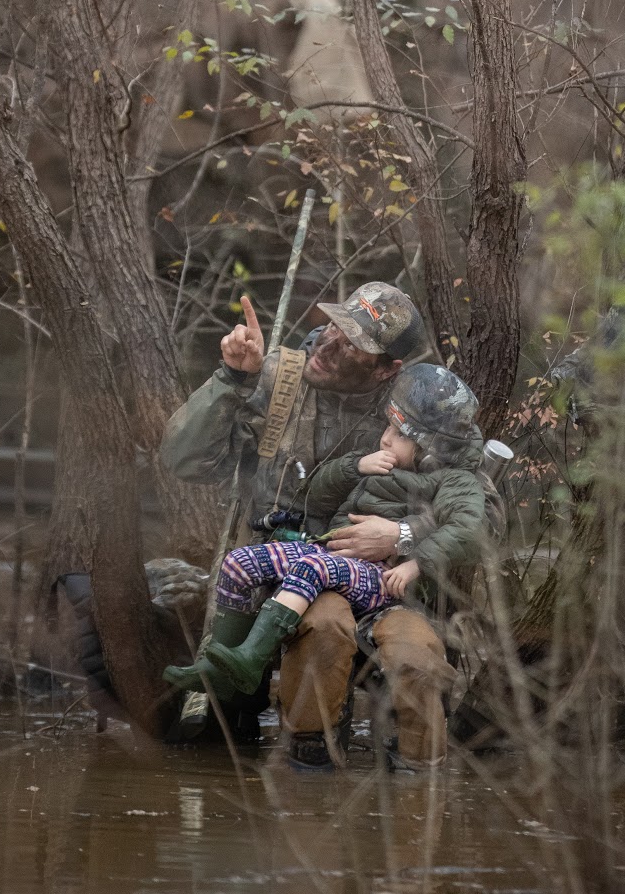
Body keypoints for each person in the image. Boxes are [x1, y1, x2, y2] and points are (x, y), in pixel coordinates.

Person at [158, 281, 479, 769]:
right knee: (215, 742)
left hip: (374, 584)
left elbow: (480, 508)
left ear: (388, 368)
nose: (328, 345)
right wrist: (231, 379)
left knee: (356, 639)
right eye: (332, 325)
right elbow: (182, 462)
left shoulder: (414, 408)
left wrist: (401, 536)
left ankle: (369, 775)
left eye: (352, 344)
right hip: (269, 583)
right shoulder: (276, 379)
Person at [162, 366, 485, 701]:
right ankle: (218, 671)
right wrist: (353, 467)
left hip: (380, 578)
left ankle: (251, 658)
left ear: (430, 448)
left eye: (401, 434)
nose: (386, 437)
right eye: (389, 426)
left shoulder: (455, 480)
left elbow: (470, 529)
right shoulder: (380, 458)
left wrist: (413, 560)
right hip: (331, 556)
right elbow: (313, 495)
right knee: (239, 563)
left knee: (311, 569)